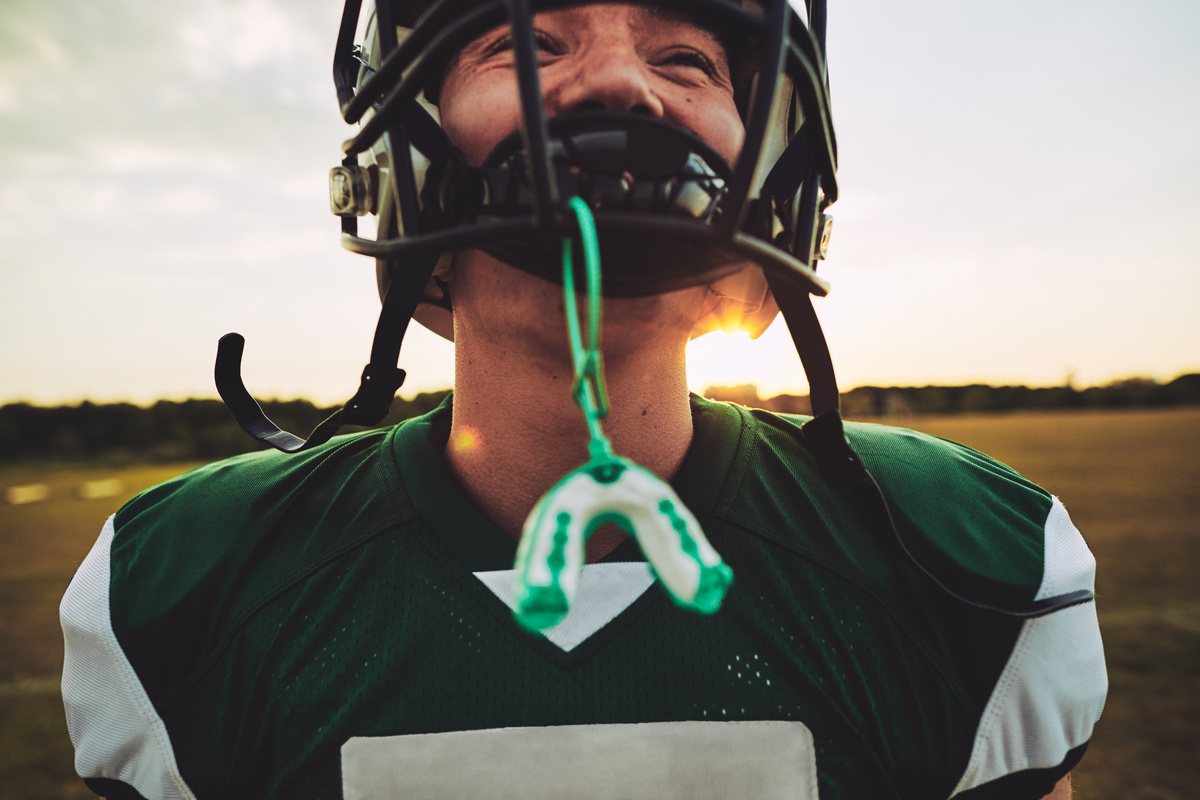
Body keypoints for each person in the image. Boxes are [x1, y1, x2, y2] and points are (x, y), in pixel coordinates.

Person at [59, 1, 1106, 798]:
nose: (618, 87)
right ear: (401, 151)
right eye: (532, 42)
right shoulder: (192, 584)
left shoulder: (962, 559)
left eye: (684, 58)